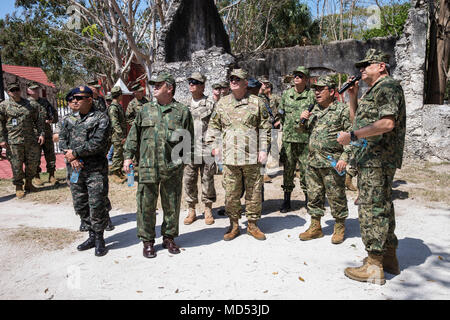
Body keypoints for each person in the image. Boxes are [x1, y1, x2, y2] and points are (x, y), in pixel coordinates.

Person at [337, 49, 406, 285]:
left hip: (378, 159)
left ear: (382, 66)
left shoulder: (387, 86)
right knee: (381, 205)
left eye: (367, 64)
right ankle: (388, 258)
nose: (361, 69)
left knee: (371, 208)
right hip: (371, 158)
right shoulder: (373, 91)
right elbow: (359, 122)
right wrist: (353, 97)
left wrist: (352, 135)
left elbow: (387, 123)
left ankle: (374, 265)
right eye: (360, 66)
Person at [123, 72, 194, 258]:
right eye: (153, 84)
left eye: (158, 84)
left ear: (169, 88)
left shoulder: (182, 112)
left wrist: (183, 163)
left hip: (172, 167)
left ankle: (169, 238)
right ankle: (147, 241)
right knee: (145, 204)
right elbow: (134, 136)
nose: (153, 86)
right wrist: (127, 157)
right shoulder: (144, 110)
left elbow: (188, 140)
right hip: (147, 166)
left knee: (171, 204)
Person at [206, 69, 271, 241]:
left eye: (238, 79)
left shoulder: (257, 102)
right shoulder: (222, 103)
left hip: (251, 157)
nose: (233, 81)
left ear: (245, 83)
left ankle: (252, 225)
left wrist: (263, 149)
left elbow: (265, 127)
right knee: (231, 193)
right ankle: (234, 225)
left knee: (254, 192)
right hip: (229, 157)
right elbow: (213, 126)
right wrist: (214, 146)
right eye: (231, 78)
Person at [297, 75, 351, 244]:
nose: (317, 92)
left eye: (321, 89)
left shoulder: (342, 110)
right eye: (315, 89)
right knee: (314, 195)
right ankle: (315, 227)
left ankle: (340, 226)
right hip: (313, 162)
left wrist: (344, 157)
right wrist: (302, 120)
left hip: (332, 162)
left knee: (336, 196)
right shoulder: (314, 111)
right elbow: (303, 132)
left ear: (332, 91)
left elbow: (351, 136)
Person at [60, 86, 111, 256]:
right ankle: (90, 234)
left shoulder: (101, 118)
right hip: (75, 169)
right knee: (80, 203)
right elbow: (62, 140)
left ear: (89, 100)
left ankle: (99, 238)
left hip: (95, 170)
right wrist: (72, 157)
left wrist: (75, 153)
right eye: (73, 98)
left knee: (97, 204)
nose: (74, 101)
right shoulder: (68, 119)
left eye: (79, 98)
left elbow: (97, 143)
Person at [279, 66, 316, 213]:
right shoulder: (286, 94)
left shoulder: (311, 95)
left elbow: (316, 114)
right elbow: (281, 113)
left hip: (305, 139)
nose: (296, 78)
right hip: (289, 139)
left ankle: (308, 200)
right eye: (295, 75)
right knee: (288, 170)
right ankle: (286, 200)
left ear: (306, 80)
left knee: (306, 171)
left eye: (300, 76)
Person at [183, 72, 217, 225]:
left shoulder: (210, 104)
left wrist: (215, 146)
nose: (192, 84)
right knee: (189, 180)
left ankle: (208, 209)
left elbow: (216, 126)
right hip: (188, 148)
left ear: (203, 85)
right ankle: (191, 210)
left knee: (207, 179)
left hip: (206, 148)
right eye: (190, 81)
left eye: (195, 82)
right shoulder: (184, 105)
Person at [0, 82, 44, 198]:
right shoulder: (4, 105)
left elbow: (39, 120)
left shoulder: (30, 104)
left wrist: (41, 134)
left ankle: (29, 183)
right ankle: (19, 186)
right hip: (13, 141)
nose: (15, 92)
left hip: (30, 140)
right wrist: (1, 139)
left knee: (32, 163)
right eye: (12, 90)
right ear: (9, 92)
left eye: (17, 89)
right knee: (16, 165)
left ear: (20, 90)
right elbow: (0, 123)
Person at [27, 83, 59, 186]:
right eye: (33, 89)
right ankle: (36, 176)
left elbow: (54, 113)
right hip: (34, 134)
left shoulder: (44, 102)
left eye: (37, 89)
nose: (36, 91)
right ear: (28, 91)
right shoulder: (27, 103)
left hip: (47, 133)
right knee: (35, 156)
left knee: (50, 155)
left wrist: (52, 119)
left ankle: (52, 175)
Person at [108, 86, 127, 184]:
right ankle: (115, 174)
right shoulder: (113, 107)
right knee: (117, 154)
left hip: (120, 135)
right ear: (119, 95)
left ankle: (119, 171)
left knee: (120, 154)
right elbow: (115, 123)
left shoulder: (117, 105)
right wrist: (121, 135)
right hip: (117, 136)